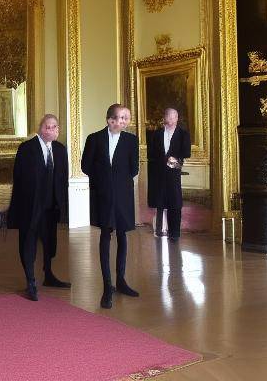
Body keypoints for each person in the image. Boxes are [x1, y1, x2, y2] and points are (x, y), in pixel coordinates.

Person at [81, 104, 139, 309]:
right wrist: (105, 180)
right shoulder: (94, 138)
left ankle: (121, 281)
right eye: (121, 118)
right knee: (105, 236)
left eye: (126, 118)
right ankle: (107, 287)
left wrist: (118, 182)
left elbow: (134, 168)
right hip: (103, 195)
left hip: (123, 196)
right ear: (110, 120)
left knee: (122, 236)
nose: (124, 121)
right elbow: (85, 166)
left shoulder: (131, 140)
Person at [8, 114, 70, 301]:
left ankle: (48, 275)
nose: (52, 130)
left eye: (55, 127)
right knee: (28, 242)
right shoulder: (27, 149)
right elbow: (19, 180)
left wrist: (63, 205)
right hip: (31, 207)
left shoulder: (60, 150)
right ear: (41, 128)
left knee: (50, 242)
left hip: (51, 206)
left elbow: (62, 179)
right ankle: (31, 281)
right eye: (48, 126)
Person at [147, 108, 191, 240]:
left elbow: (186, 152)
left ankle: (175, 234)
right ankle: (160, 230)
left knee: (175, 202)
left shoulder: (183, 134)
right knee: (160, 202)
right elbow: (151, 153)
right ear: (164, 118)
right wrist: (163, 160)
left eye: (174, 117)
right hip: (159, 173)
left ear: (177, 118)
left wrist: (175, 159)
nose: (171, 120)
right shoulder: (156, 134)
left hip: (174, 173)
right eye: (169, 117)